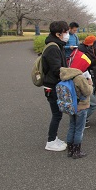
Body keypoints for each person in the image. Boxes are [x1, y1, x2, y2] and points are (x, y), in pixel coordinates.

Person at [42, 21, 69, 151]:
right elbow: (56, 70)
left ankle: (54, 138)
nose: (67, 35)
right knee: (57, 114)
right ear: (58, 34)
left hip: (52, 85)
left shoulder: (56, 45)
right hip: (52, 86)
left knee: (57, 114)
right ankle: (51, 141)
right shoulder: (53, 48)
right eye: (65, 32)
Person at [59, 67, 93, 159]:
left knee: (72, 127)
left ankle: (70, 150)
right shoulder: (79, 78)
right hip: (81, 106)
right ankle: (77, 151)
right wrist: (90, 83)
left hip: (70, 106)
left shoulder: (65, 76)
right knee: (79, 129)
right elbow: (87, 92)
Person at [77, 35, 96, 128]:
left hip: (83, 80)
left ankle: (81, 119)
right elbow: (85, 68)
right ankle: (81, 120)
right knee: (93, 103)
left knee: (85, 101)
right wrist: (89, 78)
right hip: (85, 80)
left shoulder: (79, 51)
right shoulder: (86, 54)